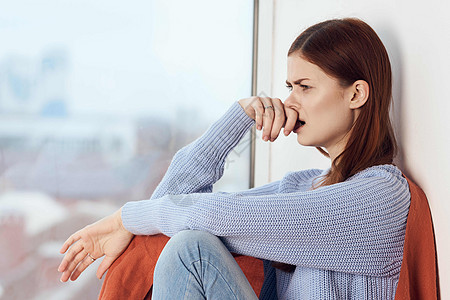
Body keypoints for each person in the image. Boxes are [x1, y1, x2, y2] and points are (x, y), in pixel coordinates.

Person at [58, 18, 411, 299]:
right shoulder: (304, 187)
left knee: (190, 250)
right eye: (290, 88)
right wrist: (240, 116)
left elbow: (211, 216)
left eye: (305, 87)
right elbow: (177, 204)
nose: (290, 103)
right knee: (187, 242)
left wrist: (125, 218)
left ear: (356, 93)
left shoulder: (379, 198)